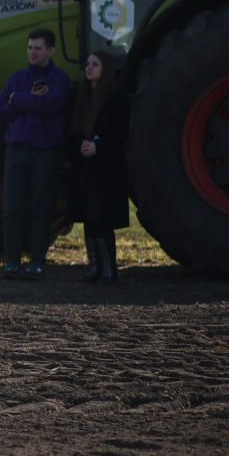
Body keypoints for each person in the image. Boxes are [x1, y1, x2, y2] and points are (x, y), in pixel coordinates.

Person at [0, 28, 73, 279]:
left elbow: (52, 106)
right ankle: (11, 260)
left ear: (50, 50)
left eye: (38, 48)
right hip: (16, 151)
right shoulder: (17, 78)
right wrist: (29, 100)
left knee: (40, 206)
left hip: (44, 152)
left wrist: (18, 101)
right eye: (29, 47)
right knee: (12, 207)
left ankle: (37, 260)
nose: (32, 52)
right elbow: (1, 110)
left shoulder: (59, 79)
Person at [66, 51, 129, 284]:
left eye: (95, 64)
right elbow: (74, 131)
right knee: (88, 215)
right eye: (87, 64)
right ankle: (94, 265)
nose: (89, 68)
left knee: (101, 215)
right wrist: (81, 144)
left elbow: (121, 132)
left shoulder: (115, 98)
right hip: (85, 168)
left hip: (106, 168)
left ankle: (110, 268)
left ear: (106, 69)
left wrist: (98, 147)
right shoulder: (82, 97)